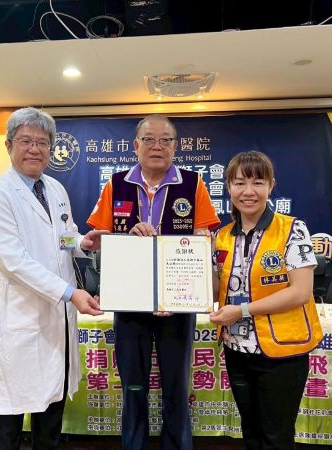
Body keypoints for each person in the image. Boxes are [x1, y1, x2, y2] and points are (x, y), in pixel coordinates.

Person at [87, 114, 220, 450]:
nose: (157, 146)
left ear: (176, 146)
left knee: (176, 385)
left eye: (165, 140)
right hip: (130, 305)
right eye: (149, 139)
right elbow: (99, 240)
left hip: (178, 305)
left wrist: (178, 295)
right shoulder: (116, 184)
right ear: (136, 146)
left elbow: (205, 241)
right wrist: (124, 237)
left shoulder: (193, 184)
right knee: (133, 386)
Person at [0, 107, 104, 450]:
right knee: (8, 419)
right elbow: (13, 261)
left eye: (42, 143)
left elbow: (62, 235)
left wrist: (81, 243)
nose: (34, 149)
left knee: (50, 415)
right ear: (9, 145)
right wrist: (69, 292)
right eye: (25, 141)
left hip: (56, 320)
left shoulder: (55, 188)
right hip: (21, 318)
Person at [210, 150, 323, 450]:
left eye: (257, 182)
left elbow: (300, 292)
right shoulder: (221, 236)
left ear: (271, 186)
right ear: (228, 187)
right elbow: (214, 289)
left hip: (282, 352)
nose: (248, 191)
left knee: (276, 437)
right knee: (251, 433)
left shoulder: (292, 229)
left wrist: (242, 310)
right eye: (239, 183)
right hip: (237, 349)